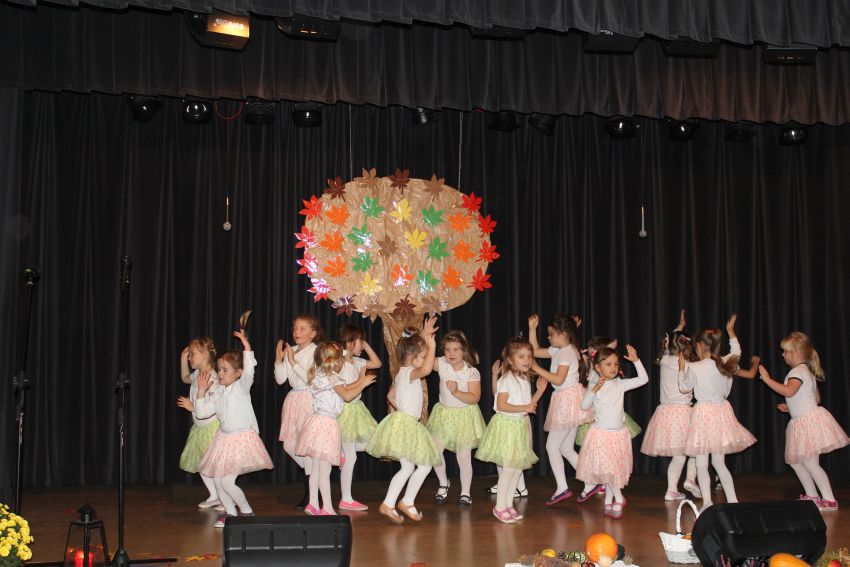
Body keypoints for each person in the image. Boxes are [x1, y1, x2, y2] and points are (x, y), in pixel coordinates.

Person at [757, 332, 849, 511]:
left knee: (811, 464)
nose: (783, 355)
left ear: (797, 353)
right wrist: (791, 407)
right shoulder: (805, 371)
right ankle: (812, 496)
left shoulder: (797, 372)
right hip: (804, 420)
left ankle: (829, 500)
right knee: (796, 462)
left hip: (807, 423)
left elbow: (789, 391)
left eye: (786, 351)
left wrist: (767, 379)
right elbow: (816, 398)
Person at [196, 330, 274, 527]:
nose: (220, 373)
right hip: (223, 440)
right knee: (218, 480)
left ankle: (246, 511)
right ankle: (231, 513)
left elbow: (249, 371)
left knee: (227, 482)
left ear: (237, 373)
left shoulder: (241, 388)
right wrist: (202, 392)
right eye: (219, 369)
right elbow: (202, 413)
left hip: (241, 440)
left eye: (225, 370)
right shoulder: (218, 392)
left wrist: (246, 347)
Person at [367, 316, 441, 524]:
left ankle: (390, 503)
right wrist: (431, 345)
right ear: (412, 357)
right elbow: (426, 370)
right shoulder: (409, 372)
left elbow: (390, 396)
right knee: (424, 465)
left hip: (404, 421)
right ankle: (405, 501)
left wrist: (403, 409)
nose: (425, 360)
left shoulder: (401, 373)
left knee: (409, 467)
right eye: (423, 357)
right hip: (407, 423)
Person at [680, 314, 756, 511]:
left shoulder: (694, 366)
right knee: (719, 463)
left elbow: (683, 387)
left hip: (703, 414)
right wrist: (731, 333)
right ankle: (733, 501)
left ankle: (707, 502)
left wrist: (681, 369)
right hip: (722, 412)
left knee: (701, 463)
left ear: (700, 345)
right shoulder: (725, 362)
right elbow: (737, 351)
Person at [295, 341, 376, 516]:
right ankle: (327, 508)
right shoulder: (333, 378)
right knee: (325, 471)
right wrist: (363, 384)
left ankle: (313, 504)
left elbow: (345, 388)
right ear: (337, 361)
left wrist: (360, 380)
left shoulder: (319, 374)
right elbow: (347, 395)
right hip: (327, 425)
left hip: (315, 423)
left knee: (316, 469)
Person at [476, 338, 548, 524]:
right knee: (508, 470)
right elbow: (501, 405)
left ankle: (508, 505)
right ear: (509, 359)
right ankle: (499, 507)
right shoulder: (506, 379)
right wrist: (525, 407)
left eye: (529, 356)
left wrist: (539, 392)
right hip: (507, 427)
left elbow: (528, 406)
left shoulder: (523, 379)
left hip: (519, 426)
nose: (526, 360)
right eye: (521, 356)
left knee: (516, 469)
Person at [528, 314, 594, 505]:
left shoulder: (565, 352)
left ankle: (563, 487)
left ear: (563, 334)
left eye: (551, 334)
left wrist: (536, 368)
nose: (548, 337)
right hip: (568, 399)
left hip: (567, 401)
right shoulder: (561, 349)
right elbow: (535, 351)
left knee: (552, 446)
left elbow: (558, 379)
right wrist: (532, 329)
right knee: (565, 448)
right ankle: (590, 482)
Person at [577, 345, 648, 519]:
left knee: (613, 471)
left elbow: (643, 379)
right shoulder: (595, 385)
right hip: (601, 435)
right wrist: (594, 389)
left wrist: (636, 361)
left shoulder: (620, 384)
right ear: (598, 367)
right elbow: (584, 405)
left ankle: (609, 500)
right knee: (608, 469)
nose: (613, 367)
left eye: (616, 364)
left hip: (618, 436)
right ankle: (619, 498)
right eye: (608, 364)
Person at [641, 310, 701, 501]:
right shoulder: (690, 365)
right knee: (695, 448)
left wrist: (679, 327)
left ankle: (672, 489)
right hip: (683, 412)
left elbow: (669, 343)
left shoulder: (665, 360)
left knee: (679, 455)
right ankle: (690, 478)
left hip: (666, 412)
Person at [427, 330, 486, 507]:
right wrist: (427, 338)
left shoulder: (471, 372)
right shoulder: (442, 364)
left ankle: (465, 492)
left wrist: (456, 391)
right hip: (444, 415)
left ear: (464, 350)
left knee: (463, 457)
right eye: (447, 349)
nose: (451, 353)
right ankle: (443, 483)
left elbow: (475, 398)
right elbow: (423, 360)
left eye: (456, 349)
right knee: (435, 451)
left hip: (464, 417)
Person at [274, 314, 324, 507]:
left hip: (309, 398)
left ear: (313, 333)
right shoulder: (291, 350)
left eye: (302, 328)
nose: (297, 332)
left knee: (307, 447)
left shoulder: (316, 351)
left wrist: (293, 361)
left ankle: (311, 494)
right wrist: (279, 361)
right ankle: (314, 476)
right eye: (295, 328)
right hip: (293, 400)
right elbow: (281, 380)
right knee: (290, 445)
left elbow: (310, 379)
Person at [336, 324, 381, 511]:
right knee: (351, 457)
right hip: (344, 412)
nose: (362, 345)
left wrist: (365, 344)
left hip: (357, 410)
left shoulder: (358, 361)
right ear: (349, 343)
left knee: (372, 443)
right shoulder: (339, 363)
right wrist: (361, 381)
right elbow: (345, 390)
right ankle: (346, 499)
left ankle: (337, 452)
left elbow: (377, 363)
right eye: (360, 341)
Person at [176, 337, 221, 509]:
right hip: (200, 427)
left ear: (205, 355)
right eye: (189, 355)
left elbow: (213, 407)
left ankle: (224, 497)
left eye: (192, 354)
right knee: (202, 463)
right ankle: (215, 495)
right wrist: (182, 358)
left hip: (212, 428)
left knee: (214, 466)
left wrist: (193, 407)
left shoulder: (213, 378)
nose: (190, 358)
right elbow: (185, 377)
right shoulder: (197, 374)